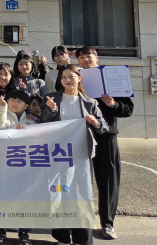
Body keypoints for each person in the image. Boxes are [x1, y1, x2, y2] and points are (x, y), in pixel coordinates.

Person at [40, 64, 108, 245]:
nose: (67, 80)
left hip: (81, 155)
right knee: (58, 192)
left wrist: (95, 123)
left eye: (71, 76)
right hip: (57, 154)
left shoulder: (90, 102)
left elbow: (104, 126)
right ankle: (62, 237)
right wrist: (51, 110)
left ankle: (81, 239)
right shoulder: (52, 98)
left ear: (79, 78)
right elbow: (43, 123)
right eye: (63, 77)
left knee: (80, 194)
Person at [76, 46, 134, 240]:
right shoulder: (75, 77)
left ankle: (107, 224)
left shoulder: (112, 77)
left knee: (108, 182)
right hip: (80, 136)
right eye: (81, 57)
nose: (85, 59)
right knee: (79, 181)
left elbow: (128, 110)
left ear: (96, 57)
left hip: (106, 137)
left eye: (89, 56)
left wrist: (113, 104)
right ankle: (79, 222)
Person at [0, 88, 35, 245]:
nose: (15, 104)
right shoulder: (2, 113)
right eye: (12, 100)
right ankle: (0, 229)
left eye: (19, 101)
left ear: (26, 105)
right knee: (2, 196)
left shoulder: (31, 120)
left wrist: (26, 131)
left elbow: (38, 137)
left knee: (25, 198)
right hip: (4, 164)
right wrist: (1, 108)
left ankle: (24, 233)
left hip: (25, 165)